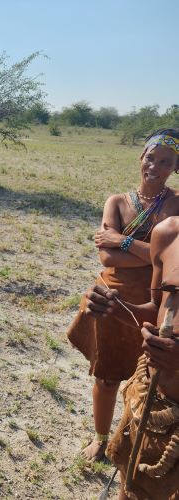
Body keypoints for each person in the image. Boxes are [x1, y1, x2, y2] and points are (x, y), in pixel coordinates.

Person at [66, 128, 179, 461]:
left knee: (150, 381)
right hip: (111, 300)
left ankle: (136, 444)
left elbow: (169, 255)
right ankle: (101, 439)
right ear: (140, 158)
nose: (154, 167)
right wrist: (146, 250)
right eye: (150, 158)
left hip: (157, 305)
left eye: (165, 162)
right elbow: (106, 257)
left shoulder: (176, 209)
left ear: (175, 167)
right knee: (107, 376)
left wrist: (122, 240)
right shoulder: (116, 201)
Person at [85, 215, 179, 500]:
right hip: (150, 401)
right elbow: (156, 308)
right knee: (130, 486)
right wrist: (117, 307)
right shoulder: (168, 233)